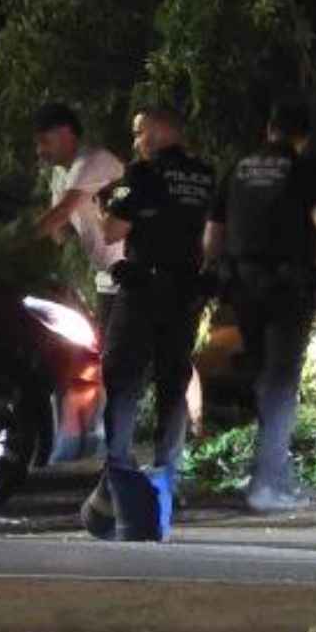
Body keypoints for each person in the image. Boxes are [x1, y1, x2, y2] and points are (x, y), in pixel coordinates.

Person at [206, 97, 316, 514]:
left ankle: (274, 472)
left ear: (267, 131)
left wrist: (212, 274)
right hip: (288, 286)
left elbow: (212, 235)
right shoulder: (306, 169)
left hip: (241, 287)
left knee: (263, 376)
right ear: (301, 138)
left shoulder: (237, 169)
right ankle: (267, 483)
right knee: (281, 381)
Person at [92, 102, 219, 534]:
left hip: (143, 288)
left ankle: (117, 475)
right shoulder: (204, 175)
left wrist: (104, 206)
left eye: (139, 132)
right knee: (172, 384)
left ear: (162, 132)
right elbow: (213, 233)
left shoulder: (141, 175)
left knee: (122, 379)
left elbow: (112, 231)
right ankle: (168, 474)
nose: (135, 141)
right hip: (185, 292)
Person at [32, 102, 124, 306]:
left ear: (65, 133)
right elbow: (59, 231)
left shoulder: (92, 161)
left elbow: (61, 212)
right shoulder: (59, 173)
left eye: (44, 141)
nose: (39, 151)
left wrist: (16, 240)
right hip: (109, 275)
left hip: (133, 273)